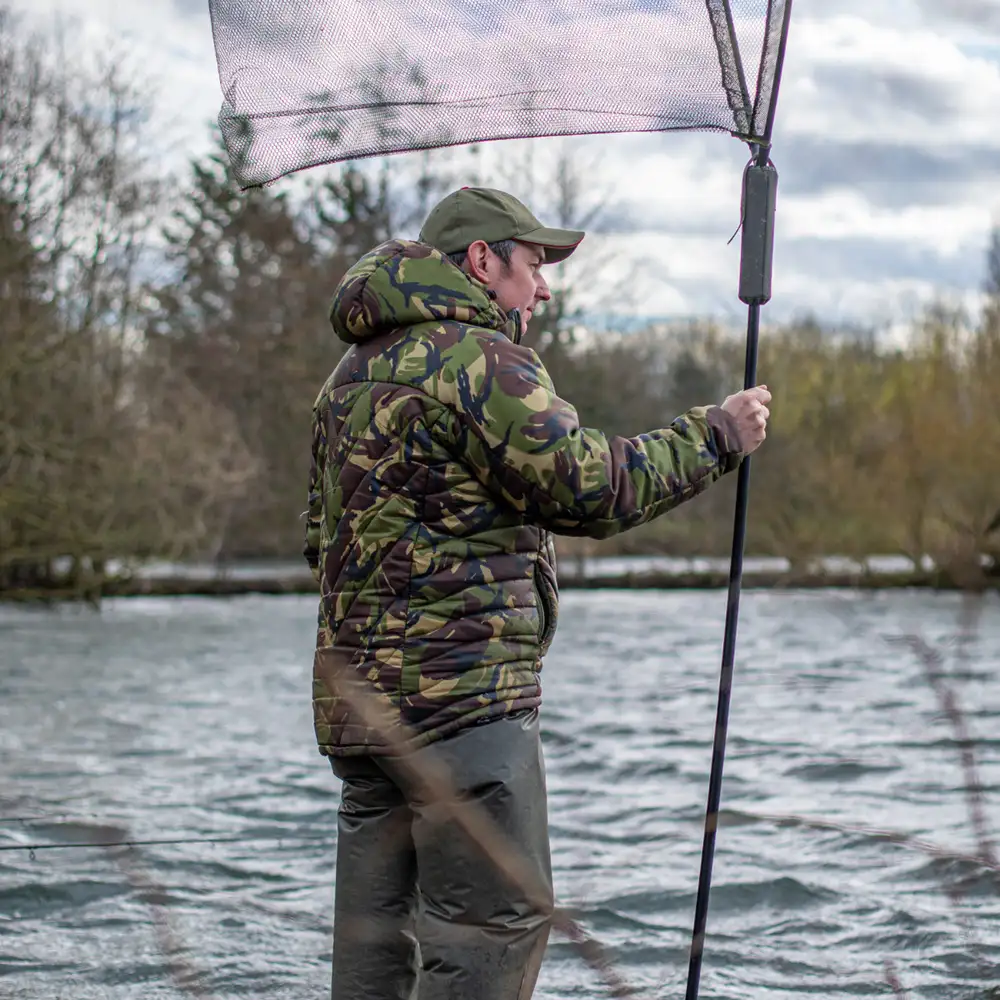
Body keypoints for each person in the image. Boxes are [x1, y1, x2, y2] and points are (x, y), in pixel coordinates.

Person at [303, 186, 771, 1000]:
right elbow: (594, 488)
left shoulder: (346, 378)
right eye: (534, 265)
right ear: (483, 263)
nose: (545, 288)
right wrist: (718, 435)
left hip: (361, 726)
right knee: (495, 928)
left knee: (378, 956)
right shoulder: (481, 360)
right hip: (466, 716)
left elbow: (320, 539)